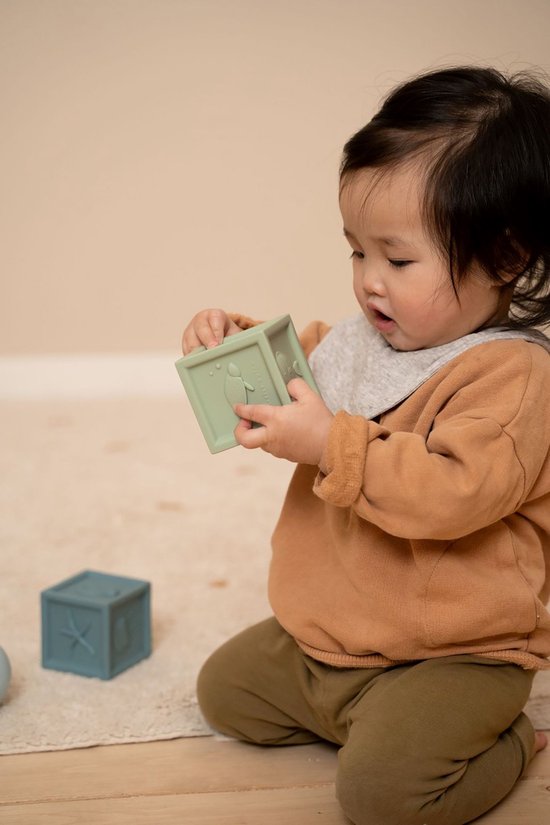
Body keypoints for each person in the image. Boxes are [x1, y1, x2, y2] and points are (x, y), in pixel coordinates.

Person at [182, 66, 550, 825]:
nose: (368, 283)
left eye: (399, 259)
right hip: (339, 634)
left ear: (506, 257)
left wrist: (330, 444)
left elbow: (453, 494)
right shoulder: (366, 343)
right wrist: (234, 341)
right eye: (357, 252)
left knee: (382, 798)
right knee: (224, 692)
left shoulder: (511, 377)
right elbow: (300, 376)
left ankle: (505, 737)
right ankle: (357, 708)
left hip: (455, 648)